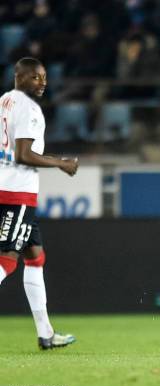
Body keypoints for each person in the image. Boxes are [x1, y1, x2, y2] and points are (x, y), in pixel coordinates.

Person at [0, 57, 79, 350]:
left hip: (7, 186)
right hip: (16, 192)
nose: (43, 83)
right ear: (19, 77)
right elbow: (23, 153)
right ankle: (45, 334)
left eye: (44, 77)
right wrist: (61, 163)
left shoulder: (4, 101)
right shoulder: (29, 108)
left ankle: (45, 334)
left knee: (35, 257)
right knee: (7, 261)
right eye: (36, 77)